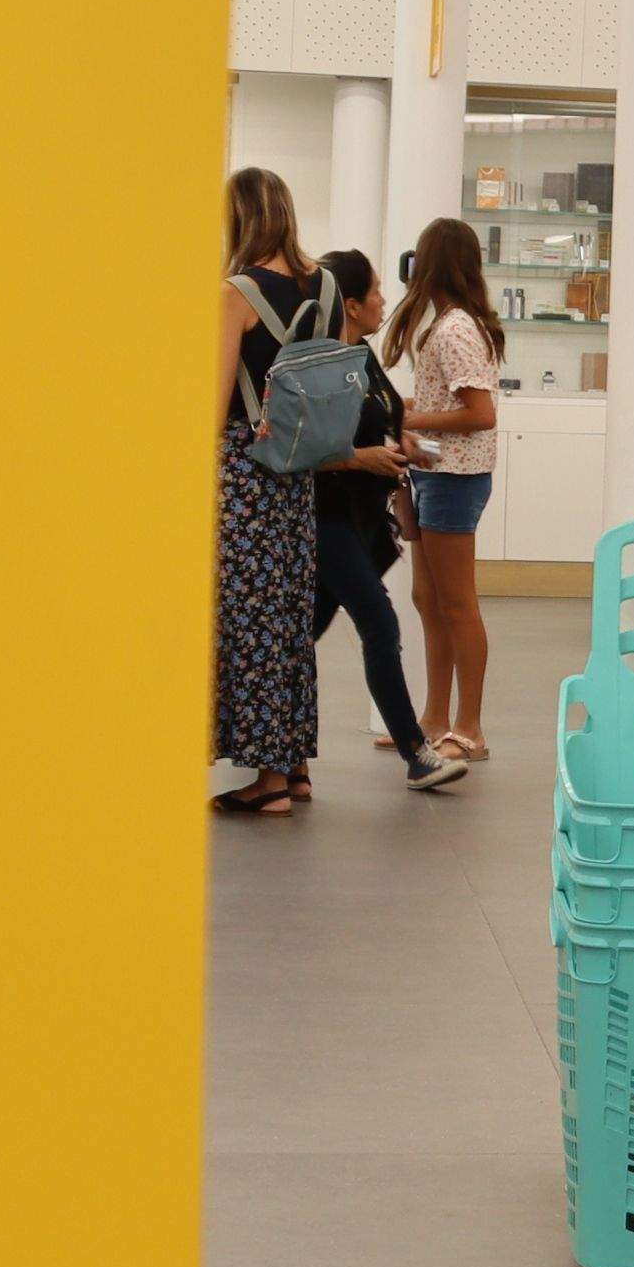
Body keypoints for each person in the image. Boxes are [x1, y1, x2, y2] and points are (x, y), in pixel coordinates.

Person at [309, 249, 459, 794]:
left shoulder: (363, 355)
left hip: (362, 517)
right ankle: (416, 753)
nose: (383, 299)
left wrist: (402, 444)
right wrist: (363, 457)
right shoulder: (320, 364)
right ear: (349, 304)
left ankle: (282, 762)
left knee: (302, 635)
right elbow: (305, 447)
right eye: (374, 290)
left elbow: (383, 418)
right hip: (327, 515)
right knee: (379, 620)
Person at [213, 169, 330, 817]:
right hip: (301, 469)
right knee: (288, 617)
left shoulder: (237, 292)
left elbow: (215, 397)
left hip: (248, 469)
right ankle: (296, 762)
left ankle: (268, 782)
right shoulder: (328, 286)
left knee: (248, 619)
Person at [380, 218, 505, 773]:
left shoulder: (454, 329)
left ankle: (470, 728)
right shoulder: (455, 324)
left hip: (455, 477)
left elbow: (480, 415)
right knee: (429, 601)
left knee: (456, 603)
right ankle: (433, 719)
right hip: (437, 471)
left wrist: (409, 414)